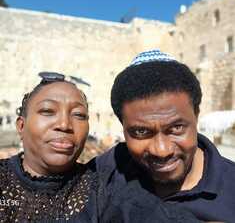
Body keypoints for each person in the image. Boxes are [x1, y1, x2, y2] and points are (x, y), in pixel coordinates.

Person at [0, 71, 201, 223]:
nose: (64, 124)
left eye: (79, 115)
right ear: (21, 125)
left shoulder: (104, 187)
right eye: (47, 111)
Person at [96, 49, 235, 222]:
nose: (161, 150)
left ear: (196, 115)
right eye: (141, 132)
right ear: (122, 126)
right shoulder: (105, 173)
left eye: (176, 128)